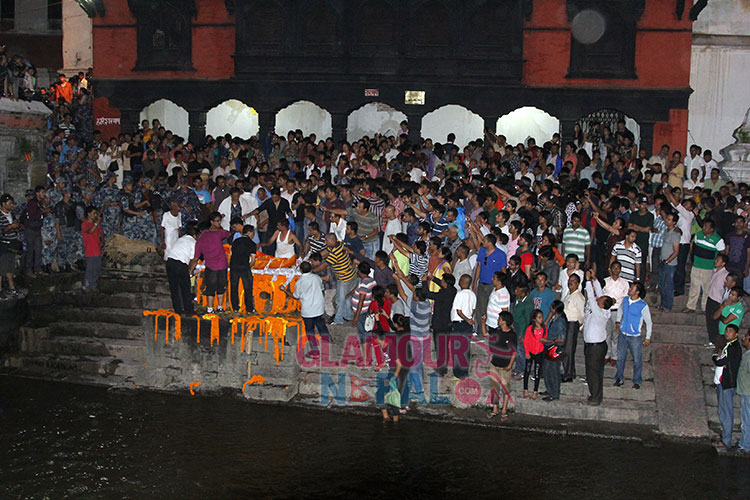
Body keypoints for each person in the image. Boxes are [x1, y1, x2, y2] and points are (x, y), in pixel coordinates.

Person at [281, 261, 328, 359]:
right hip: (318, 307)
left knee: (310, 331)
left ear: (301, 270)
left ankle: (315, 352)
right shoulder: (317, 278)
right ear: (311, 269)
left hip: (308, 310)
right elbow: (321, 287)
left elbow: (295, 296)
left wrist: (285, 290)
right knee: (321, 326)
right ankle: (327, 346)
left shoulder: (299, 283)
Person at [614, 281, 652, 390]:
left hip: (634, 336)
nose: (629, 289)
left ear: (637, 292)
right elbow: (620, 309)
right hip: (623, 334)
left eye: (632, 288)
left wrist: (648, 337)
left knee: (637, 360)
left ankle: (637, 380)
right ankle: (619, 378)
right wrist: (618, 321)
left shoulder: (642, 305)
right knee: (620, 358)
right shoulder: (625, 300)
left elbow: (649, 322)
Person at [583, 270, 614, 405]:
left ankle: (595, 397)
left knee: (593, 372)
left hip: (595, 347)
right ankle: (595, 395)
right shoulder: (605, 309)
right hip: (594, 345)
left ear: (602, 304)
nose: (598, 298)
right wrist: (595, 280)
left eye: (600, 300)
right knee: (595, 372)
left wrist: (588, 281)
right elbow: (601, 295)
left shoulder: (599, 313)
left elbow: (591, 297)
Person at [190, 212, 230, 314]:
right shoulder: (217, 234)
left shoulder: (200, 241)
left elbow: (196, 257)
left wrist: (190, 270)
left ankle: (210, 308)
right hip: (221, 265)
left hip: (211, 266)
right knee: (221, 287)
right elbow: (228, 233)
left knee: (210, 288)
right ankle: (220, 307)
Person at [684, 219, 725, 313]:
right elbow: (693, 247)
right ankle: (691, 306)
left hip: (708, 268)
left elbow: (722, 253)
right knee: (694, 287)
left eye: (706, 226)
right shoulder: (698, 235)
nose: (703, 228)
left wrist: (717, 265)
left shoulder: (718, 240)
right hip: (696, 265)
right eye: (703, 226)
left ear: (712, 229)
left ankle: (705, 308)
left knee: (707, 289)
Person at [712, 324, 742, 450]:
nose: (727, 333)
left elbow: (720, 361)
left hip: (727, 383)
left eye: (730, 331)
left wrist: (716, 357)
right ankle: (724, 434)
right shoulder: (728, 345)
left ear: (736, 334)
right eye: (726, 330)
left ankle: (726, 440)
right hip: (722, 382)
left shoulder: (733, 347)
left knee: (726, 411)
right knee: (722, 410)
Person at [482, 310, 516, 421]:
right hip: (494, 363)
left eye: (499, 319)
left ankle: (504, 410)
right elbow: (486, 334)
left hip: (505, 365)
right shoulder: (497, 331)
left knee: (505, 388)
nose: (498, 320)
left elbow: (514, 352)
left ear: (504, 321)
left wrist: (510, 365)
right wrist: (483, 322)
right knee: (494, 387)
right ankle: (495, 409)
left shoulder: (511, 335)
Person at [318, 233, 357, 325]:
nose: (325, 242)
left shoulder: (335, 253)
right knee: (347, 298)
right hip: (350, 275)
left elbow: (324, 265)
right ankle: (348, 315)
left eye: (326, 240)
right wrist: (314, 257)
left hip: (344, 277)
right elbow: (325, 252)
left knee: (340, 300)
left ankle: (338, 319)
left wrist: (312, 270)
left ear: (331, 241)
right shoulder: (339, 244)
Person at [165, 221, 200, 314]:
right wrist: (190, 271)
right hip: (180, 264)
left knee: (174, 288)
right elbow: (194, 259)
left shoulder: (181, 239)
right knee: (185, 287)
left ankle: (178, 310)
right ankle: (188, 310)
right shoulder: (193, 242)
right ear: (195, 235)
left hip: (170, 262)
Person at [449, 274, 476, 379]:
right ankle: (464, 373)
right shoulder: (473, 294)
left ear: (463, 282)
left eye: (460, 280)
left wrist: (466, 319)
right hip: (467, 326)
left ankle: (458, 374)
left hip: (459, 324)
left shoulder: (460, 295)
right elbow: (473, 310)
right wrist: (469, 319)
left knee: (457, 350)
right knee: (465, 349)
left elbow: (459, 311)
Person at [603, 261, 629, 366]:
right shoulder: (605, 281)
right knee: (606, 334)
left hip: (618, 311)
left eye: (618, 267)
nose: (616, 269)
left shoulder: (624, 283)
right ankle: (606, 355)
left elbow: (625, 298)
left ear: (620, 270)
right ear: (610, 269)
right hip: (606, 310)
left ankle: (614, 356)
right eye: (614, 267)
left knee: (616, 335)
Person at [541, 300, 567, 401]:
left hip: (555, 348)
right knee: (547, 369)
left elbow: (561, 339)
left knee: (553, 371)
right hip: (551, 346)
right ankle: (549, 389)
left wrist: (548, 341)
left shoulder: (560, 321)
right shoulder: (555, 318)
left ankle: (554, 393)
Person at [562, 273, 584, 382]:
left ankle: (568, 374)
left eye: (574, 281)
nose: (571, 282)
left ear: (578, 283)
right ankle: (570, 371)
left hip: (572, 323)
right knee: (566, 348)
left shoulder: (578, 296)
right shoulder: (568, 294)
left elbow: (581, 313)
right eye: (570, 280)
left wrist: (580, 325)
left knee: (569, 349)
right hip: (566, 323)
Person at [705, 254, 730, 348]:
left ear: (723, 263)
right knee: (709, 321)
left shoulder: (725, 274)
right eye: (716, 260)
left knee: (715, 322)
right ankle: (712, 340)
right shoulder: (714, 271)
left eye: (718, 260)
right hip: (710, 298)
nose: (715, 261)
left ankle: (716, 342)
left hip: (717, 300)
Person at [230, 224, 256, 313]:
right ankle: (249, 308)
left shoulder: (236, 241)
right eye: (253, 233)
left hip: (234, 266)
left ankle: (235, 307)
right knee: (248, 288)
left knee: (234, 287)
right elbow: (253, 260)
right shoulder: (252, 244)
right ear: (249, 233)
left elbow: (232, 254)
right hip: (244, 266)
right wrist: (249, 266)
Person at [658, 212, 681, 312]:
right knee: (662, 284)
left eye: (669, 219)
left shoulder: (675, 234)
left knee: (668, 285)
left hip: (669, 263)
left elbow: (676, 251)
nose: (666, 221)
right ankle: (663, 304)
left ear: (674, 222)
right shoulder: (666, 231)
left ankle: (668, 306)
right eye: (667, 219)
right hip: (663, 261)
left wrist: (667, 261)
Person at [712, 286, 745, 352]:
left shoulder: (739, 308)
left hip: (730, 336)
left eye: (733, 295)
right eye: (730, 293)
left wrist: (720, 316)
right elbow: (714, 316)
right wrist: (722, 306)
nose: (730, 296)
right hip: (721, 334)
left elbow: (726, 321)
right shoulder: (725, 303)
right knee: (718, 353)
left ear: (739, 297)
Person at [523, 309, 546, 400]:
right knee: (527, 370)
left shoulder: (544, 328)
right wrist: (526, 352)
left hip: (539, 352)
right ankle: (525, 389)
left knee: (537, 372)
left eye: (541, 317)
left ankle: (535, 391)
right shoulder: (530, 329)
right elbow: (526, 341)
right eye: (539, 317)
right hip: (530, 352)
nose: (541, 319)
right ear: (534, 319)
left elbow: (545, 338)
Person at [81, 205, 103, 291]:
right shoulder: (85, 224)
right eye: (94, 213)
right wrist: (96, 223)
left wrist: (102, 241)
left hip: (97, 250)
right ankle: (86, 286)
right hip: (90, 251)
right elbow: (90, 231)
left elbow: (101, 233)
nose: (95, 215)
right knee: (90, 269)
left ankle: (93, 285)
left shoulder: (96, 225)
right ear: (89, 214)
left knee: (97, 269)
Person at [737, 330, 750, 453]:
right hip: (746, 392)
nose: (743, 338)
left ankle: (746, 445)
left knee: (747, 420)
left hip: (748, 393)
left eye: (746, 336)